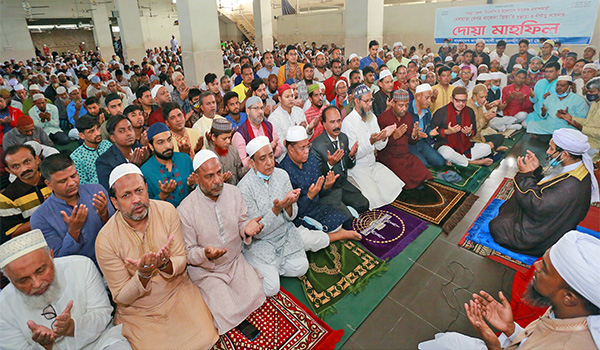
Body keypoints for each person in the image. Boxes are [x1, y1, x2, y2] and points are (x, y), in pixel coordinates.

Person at [95, 163, 219, 349]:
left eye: (139, 191)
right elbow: (121, 296)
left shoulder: (166, 211)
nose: (136, 200)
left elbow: (181, 258)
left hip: (177, 292)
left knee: (204, 338)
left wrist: (165, 265)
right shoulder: (105, 240)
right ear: (115, 202)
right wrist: (142, 276)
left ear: (146, 189)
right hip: (140, 310)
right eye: (126, 196)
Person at [419, 230, 600, 350]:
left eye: (544, 268)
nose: (535, 266)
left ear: (569, 297)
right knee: (447, 342)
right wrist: (510, 328)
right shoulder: (569, 310)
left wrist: (495, 347)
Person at [177, 150, 266, 334]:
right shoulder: (185, 209)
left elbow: (242, 220)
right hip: (207, 271)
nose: (217, 180)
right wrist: (205, 254)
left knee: (256, 294)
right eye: (209, 176)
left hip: (234, 261)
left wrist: (246, 229)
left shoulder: (233, 192)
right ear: (196, 178)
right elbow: (188, 251)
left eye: (219, 172)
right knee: (226, 310)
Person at [0, 229, 131, 350]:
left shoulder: (81, 266)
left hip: (100, 343)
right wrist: (45, 346)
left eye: (40, 270)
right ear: (8, 278)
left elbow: (102, 313)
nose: (37, 283)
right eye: (23, 280)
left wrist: (73, 327)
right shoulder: (3, 306)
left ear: (51, 256)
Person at [490, 128, 597, 256]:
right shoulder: (577, 167)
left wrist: (526, 175)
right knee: (508, 209)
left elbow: (537, 206)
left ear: (565, 154)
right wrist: (536, 170)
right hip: (553, 223)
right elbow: (549, 186)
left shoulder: (569, 186)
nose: (547, 151)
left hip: (542, 236)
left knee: (497, 226)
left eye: (551, 149)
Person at [237, 137, 309, 297]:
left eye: (271, 155)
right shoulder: (243, 188)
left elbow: (292, 217)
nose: (270, 162)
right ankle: (267, 266)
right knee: (272, 288)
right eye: (263, 158)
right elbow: (258, 232)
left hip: (284, 235)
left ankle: (272, 267)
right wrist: (276, 210)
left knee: (302, 267)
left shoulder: (282, 175)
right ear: (252, 163)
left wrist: (289, 205)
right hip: (261, 243)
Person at [279, 126, 361, 247]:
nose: (307, 151)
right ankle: (339, 235)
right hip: (302, 214)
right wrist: (309, 196)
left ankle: (338, 231)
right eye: (302, 148)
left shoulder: (311, 159)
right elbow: (291, 213)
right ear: (290, 149)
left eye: (308, 146)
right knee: (333, 227)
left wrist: (326, 186)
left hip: (318, 204)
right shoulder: (283, 172)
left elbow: (320, 190)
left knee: (346, 219)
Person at [30, 154, 112, 264]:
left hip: (112, 259)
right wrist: (74, 231)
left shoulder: (96, 191)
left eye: (73, 176)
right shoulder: (40, 217)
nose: (72, 183)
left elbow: (119, 231)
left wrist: (104, 215)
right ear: (49, 184)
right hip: (79, 272)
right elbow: (59, 259)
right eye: (63, 181)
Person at [341, 84, 404, 209]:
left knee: (396, 186)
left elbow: (379, 147)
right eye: (366, 101)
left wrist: (384, 136)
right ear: (357, 101)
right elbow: (354, 156)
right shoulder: (348, 123)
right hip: (358, 168)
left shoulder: (372, 117)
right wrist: (370, 142)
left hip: (372, 164)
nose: (370, 104)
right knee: (375, 200)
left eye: (371, 100)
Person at [311, 106, 369, 217]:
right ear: (324, 124)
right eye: (332, 122)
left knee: (364, 204)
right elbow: (316, 176)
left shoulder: (343, 138)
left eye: (338, 121)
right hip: (328, 190)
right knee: (347, 219)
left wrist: (351, 156)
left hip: (343, 184)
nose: (337, 125)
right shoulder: (316, 146)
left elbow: (347, 165)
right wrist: (330, 164)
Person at [377, 90, 433, 189]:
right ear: (393, 103)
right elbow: (378, 146)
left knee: (421, 169)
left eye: (406, 105)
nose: (404, 109)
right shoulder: (383, 118)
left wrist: (414, 135)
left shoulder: (408, 117)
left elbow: (411, 141)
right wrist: (393, 137)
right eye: (401, 106)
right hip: (389, 156)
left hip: (405, 155)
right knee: (405, 177)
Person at [431, 86, 494, 166]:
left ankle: (457, 160)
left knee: (487, 148)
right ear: (452, 99)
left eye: (464, 101)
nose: (461, 104)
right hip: (445, 145)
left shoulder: (469, 111)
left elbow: (473, 132)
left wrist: (468, 132)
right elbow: (433, 132)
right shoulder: (441, 112)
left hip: (464, 146)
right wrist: (447, 131)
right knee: (447, 153)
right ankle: (473, 162)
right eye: (458, 101)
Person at [0, 144, 50, 244]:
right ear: (9, 171)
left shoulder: (55, 179)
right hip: (35, 242)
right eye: (15, 166)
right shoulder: (7, 197)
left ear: (37, 159)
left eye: (27, 162)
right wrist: (44, 215)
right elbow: (13, 233)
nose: (24, 169)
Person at [140, 122, 194, 207]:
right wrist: (163, 195)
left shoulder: (185, 159)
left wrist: (192, 185)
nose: (167, 146)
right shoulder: (145, 171)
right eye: (160, 142)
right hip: (165, 218)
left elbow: (198, 190)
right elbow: (147, 206)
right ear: (151, 146)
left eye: (169, 140)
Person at [95, 115, 147, 191]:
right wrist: (132, 168)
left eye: (130, 128)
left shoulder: (141, 149)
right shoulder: (104, 161)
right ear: (113, 138)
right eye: (122, 131)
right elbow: (110, 192)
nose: (128, 133)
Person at [269, 84, 318, 162]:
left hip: (302, 154)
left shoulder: (299, 111)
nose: (291, 99)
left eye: (292, 96)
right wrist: (296, 134)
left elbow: (307, 139)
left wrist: (309, 129)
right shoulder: (274, 118)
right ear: (280, 99)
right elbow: (280, 146)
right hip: (285, 158)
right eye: (287, 97)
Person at [232, 96, 282, 166]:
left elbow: (279, 150)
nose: (260, 111)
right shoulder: (240, 135)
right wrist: (265, 150)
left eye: (262, 108)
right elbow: (242, 163)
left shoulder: (269, 126)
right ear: (247, 111)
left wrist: (273, 149)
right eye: (256, 108)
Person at [408, 84, 447, 168]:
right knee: (423, 165)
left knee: (440, 162)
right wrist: (414, 134)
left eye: (430, 97)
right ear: (418, 97)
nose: (429, 101)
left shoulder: (427, 112)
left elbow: (427, 127)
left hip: (421, 142)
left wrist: (430, 131)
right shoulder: (408, 110)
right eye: (427, 98)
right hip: (409, 144)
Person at [558, 77, 600, 149]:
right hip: (587, 139)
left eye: (592, 92)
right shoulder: (595, 102)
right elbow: (589, 122)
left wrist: (582, 128)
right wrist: (571, 118)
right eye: (587, 92)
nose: (588, 94)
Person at [69, 116, 112, 185]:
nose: (97, 133)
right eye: (91, 131)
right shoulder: (76, 157)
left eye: (98, 128)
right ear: (82, 136)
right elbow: (83, 185)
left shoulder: (107, 144)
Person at [468, 84, 508, 153]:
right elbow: (472, 132)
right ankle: (490, 149)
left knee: (500, 136)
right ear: (474, 96)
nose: (484, 100)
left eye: (485, 97)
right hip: (470, 140)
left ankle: (487, 148)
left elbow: (483, 128)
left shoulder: (479, 105)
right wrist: (484, 120)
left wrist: (487, 120)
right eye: (481, 97)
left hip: (479, 138)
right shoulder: (468, 108)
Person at [207, 118, 247, 185]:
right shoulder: (207, 156)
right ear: (213, 137)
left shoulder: (233, 151)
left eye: (229, 138)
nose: (228, 142)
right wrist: (222, 181)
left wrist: (249, 167)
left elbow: (239, 174)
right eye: (224, 139)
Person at [527, 61, 560, 127]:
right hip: (537, 113)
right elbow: (534, 101)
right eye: (546, 72)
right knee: (526, 124)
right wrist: (532, 96)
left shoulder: (561, 84)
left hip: (552, 115)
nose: (547, 74)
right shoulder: (540, 83)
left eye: (551, 72)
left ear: (558, 72)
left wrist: (551, 99)